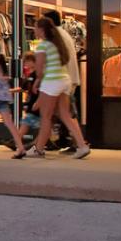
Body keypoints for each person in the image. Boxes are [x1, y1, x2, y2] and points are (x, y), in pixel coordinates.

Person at [28, 16, 90, 159]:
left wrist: (37, 82)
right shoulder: (57, 43)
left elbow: (39, 69)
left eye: (36, 27)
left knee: (46, 117)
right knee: (65, 115)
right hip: (64, 80)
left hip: (52, 82)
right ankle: (82, 145)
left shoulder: (43, 46)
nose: (34, 29)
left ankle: (38, 149)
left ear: (42, 30)